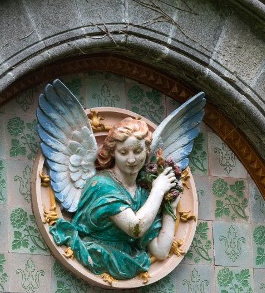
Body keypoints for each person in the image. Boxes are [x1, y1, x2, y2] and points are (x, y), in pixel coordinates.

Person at [49, 117, 178, 280]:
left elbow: (161, 251)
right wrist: (158, 191)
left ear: (147, 151)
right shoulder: (102, 185)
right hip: (97, 253)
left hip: (128, 260)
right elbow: (135, 228)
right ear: (113, 153)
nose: (131, 159)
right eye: (123, 152)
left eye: (137, 151)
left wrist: (170, 207)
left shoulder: (144, 196)